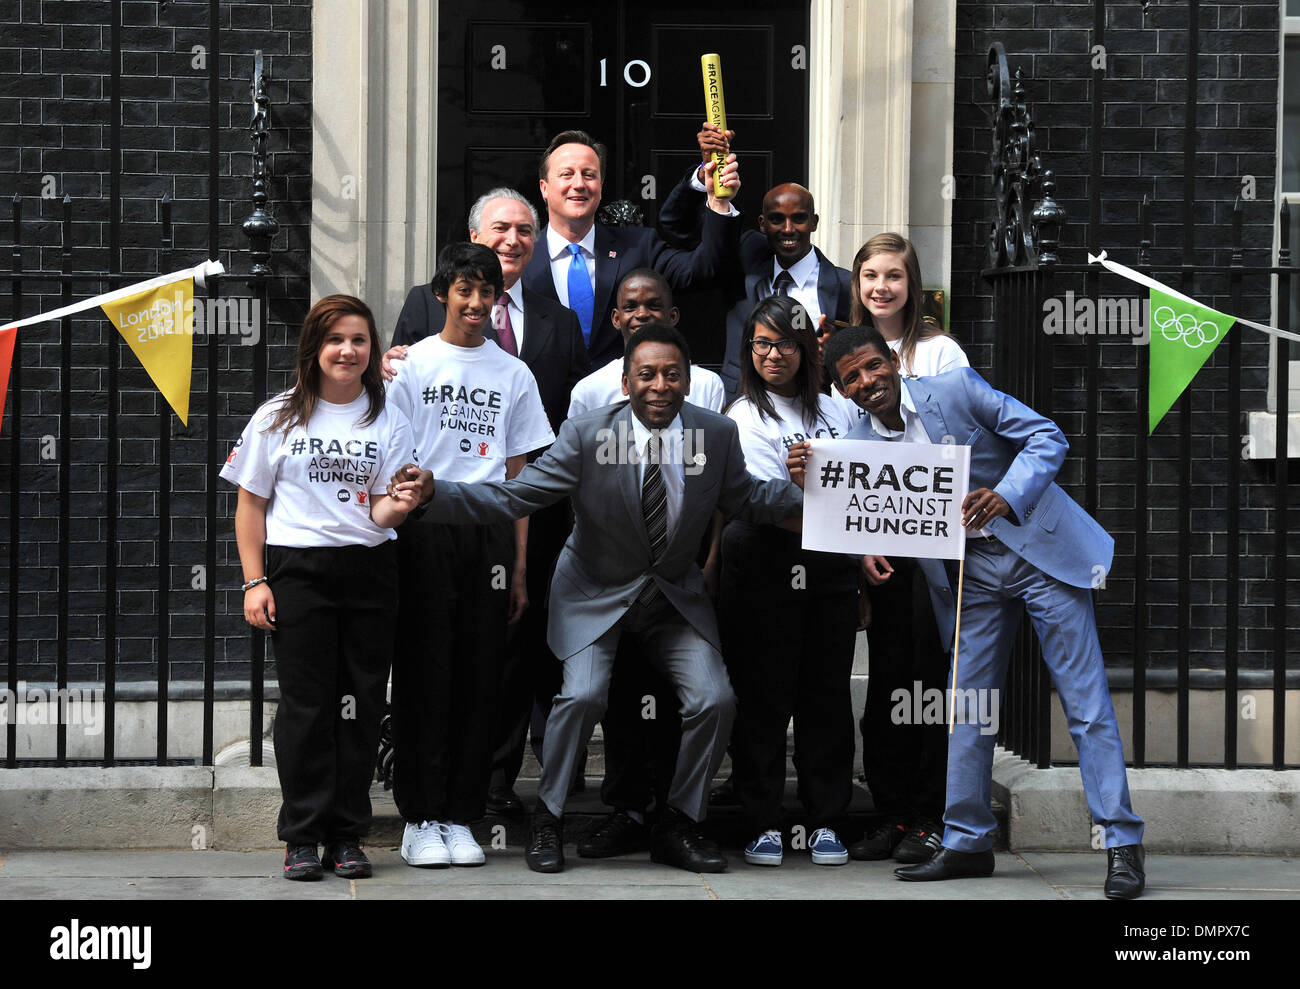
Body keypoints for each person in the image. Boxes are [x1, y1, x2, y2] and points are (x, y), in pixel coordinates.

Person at [388, 322, 804, 875]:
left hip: (672, 598)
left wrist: (806, 484)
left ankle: (680, 821)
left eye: (672, 375)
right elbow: (518, 493)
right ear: (626, 382)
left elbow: (748, 497)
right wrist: (437, 495)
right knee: (581, 697)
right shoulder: (587, 434)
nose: (660, 385)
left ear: (688, 382)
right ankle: (549, 819)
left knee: (716, 700)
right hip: (594, 593)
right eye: (647, 375)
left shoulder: (716, 434)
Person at [801, 325, 1146, 899]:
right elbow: (852, 508)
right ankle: (966, 842)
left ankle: (1120, 842)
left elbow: (1047, 437)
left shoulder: (955, 388)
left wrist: (1007, 493)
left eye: (871, 367)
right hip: (969, 578)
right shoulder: (857, 440)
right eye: (851, 379)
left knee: (1084, 704)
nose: (866, 383)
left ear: (892, 359)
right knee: (967, 708)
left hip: (1040, 553)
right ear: (841, 390)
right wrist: (809, 480)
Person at [387, 188, 591, 818]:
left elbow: (522, 469)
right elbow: (391, 457)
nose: (477, 303)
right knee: (428, 673)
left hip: (498, 532)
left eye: (487, 294)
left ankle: (471, 808)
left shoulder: (524, 364)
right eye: (465, 291)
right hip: (425, 529)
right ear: (445, 292)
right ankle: (422, 812)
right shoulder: (412, 359)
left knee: (487, 675)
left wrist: (522, 566)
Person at [220, 294, 420, 881]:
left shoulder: (388, 417)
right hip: (297, 571)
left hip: (368, 571)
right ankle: (303, 836)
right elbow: (250, 506)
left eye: (359, 340)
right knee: (307, 707)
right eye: (336, 339)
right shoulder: (278, 415)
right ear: (315, 347)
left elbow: (380, 512)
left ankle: (347, 834)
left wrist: (402, 504)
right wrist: (254, 581)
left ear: (372, 350)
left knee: (360, 706)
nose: (348, 351)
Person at [565, 269, 724, 861]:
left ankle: (678, 819)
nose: (642, 314)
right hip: (612, 581)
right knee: (625, 697)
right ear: (614, 317)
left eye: (654, 305)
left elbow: (717, 487)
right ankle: (628, 810)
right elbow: (571, 487)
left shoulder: (705, 386)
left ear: (673, 314)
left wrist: (710, 559)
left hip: (681, 575)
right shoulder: (588, 392)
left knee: (694, 694)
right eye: (630, 306)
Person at [838, 232, 969, 864]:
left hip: (938, 551)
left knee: (928, 686)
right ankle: (893, 813)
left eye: (893, 275)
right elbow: (847, 458)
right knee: (889, 681)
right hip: (880, 549)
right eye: (869, 276)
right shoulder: (843, 352)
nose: (881, 287)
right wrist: (859, 548)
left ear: (912, 284)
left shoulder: (941, 353)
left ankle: (931, 816)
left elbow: (963, 442)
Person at [719, 295, 858, 867]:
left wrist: (822, 497)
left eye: (785, 344)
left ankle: (826, 819)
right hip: (762, 566)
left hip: (831, 568)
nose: (773, 355)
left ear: (806, 349)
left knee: (825, 695)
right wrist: (814, 493)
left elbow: (864, 495)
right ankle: (762, 821)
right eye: (761, 344)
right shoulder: (740, 418)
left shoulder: (839, 412)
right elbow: (758, 504)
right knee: (763, 698)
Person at [656, 123, 852, 399]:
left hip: (812, 408)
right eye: (776, 219)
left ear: (814, 223)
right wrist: (705, 176)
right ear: (762, 224)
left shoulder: (845, 285)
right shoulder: (743, 257)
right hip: (742, 404)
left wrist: (834, 355)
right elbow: (674, 225)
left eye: (798, 218)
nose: (787, 229)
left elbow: (857, 357)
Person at [522, 129, 742, 368]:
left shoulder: (639, 247)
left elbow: (704, 269)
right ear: (544, 187)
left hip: (625, 398)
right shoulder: (521, 257)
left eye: (589, 175)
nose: (579, 184)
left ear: (601, 186)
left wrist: (717, 200)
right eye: (567, 174)